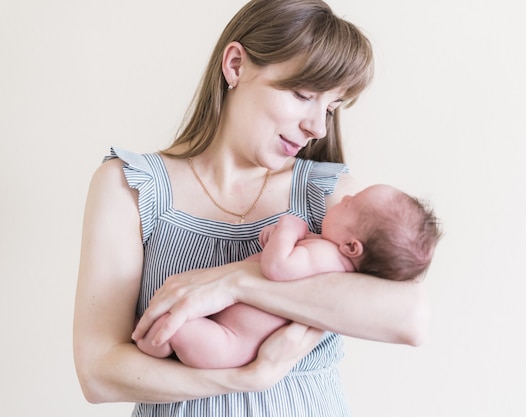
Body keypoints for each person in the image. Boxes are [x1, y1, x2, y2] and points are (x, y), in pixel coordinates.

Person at [73, 0, 433, 415]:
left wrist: (234, 283)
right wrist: (243, 379)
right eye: (303, 95)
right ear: (236, 65)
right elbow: (98, 372)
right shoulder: (128, 187)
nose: (318, 127)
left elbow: (413, 318)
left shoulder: (332, 199)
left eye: (330, 108)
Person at [136, 185, 441, 369]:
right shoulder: (330, 256)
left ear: (352, 246)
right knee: (175, 328)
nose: (344, 196)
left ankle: (150, 346)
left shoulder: (325, 256)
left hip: (232, 341)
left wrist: (290, 226)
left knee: (171, 330)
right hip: (232, 334)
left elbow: (277, 268)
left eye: (350, 203)